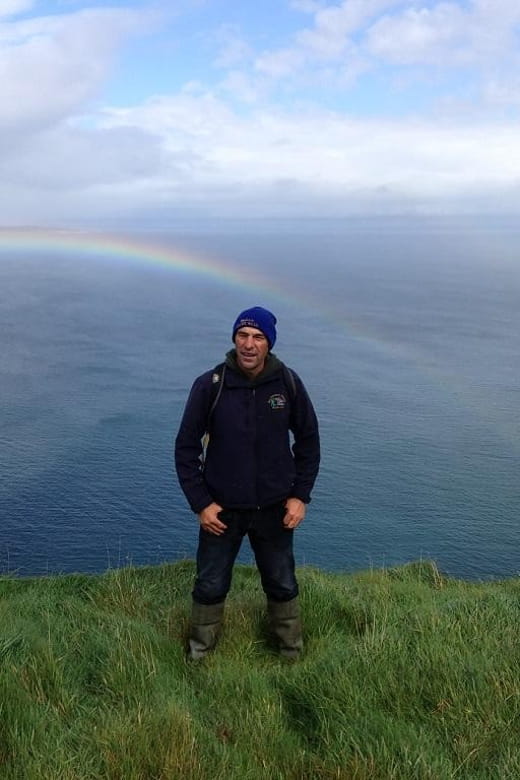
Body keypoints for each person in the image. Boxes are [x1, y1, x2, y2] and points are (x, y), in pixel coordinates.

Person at [175, 306, 320, 660]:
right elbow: (186, 448)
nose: (249, 344)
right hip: (221, 511)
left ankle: (291, 654)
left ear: (269, 343)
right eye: (243, 335)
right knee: (210, 584)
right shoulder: (211, 385)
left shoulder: (287, 383)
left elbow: (309, 441)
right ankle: (200, 656)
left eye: (258, 337)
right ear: (234, 339)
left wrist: (300, 496)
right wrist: (201, 504)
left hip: (275, 508)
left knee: (282, 582)